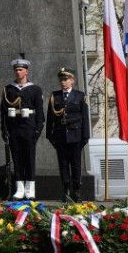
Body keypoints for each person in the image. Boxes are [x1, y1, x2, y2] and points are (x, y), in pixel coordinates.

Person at [0, 59, 45, 200]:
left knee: (29, 159)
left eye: (21, 69)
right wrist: (4, 129)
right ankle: (19, 188)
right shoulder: (8, 89)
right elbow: (3, 112)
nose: (18, 72)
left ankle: (30, 188)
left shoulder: (35, 89)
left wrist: (38, 130)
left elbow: (39, 112)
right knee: (17, 159)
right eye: (16, 70)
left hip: (29, 127)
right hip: (14, 128)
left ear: (26, 71)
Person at [46, 68, 90, 202]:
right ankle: (66, 191)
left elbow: (84, 118)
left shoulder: (79, 96)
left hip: (76, 137)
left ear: (72, 81)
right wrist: (50, 135)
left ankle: (76, 191)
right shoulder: (55, 96)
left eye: (66, 80)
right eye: (61, 80)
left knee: (76, 165)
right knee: (63, 165)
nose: (63, 82)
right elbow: (50, 117)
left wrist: (85, 136)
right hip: (60, 137)